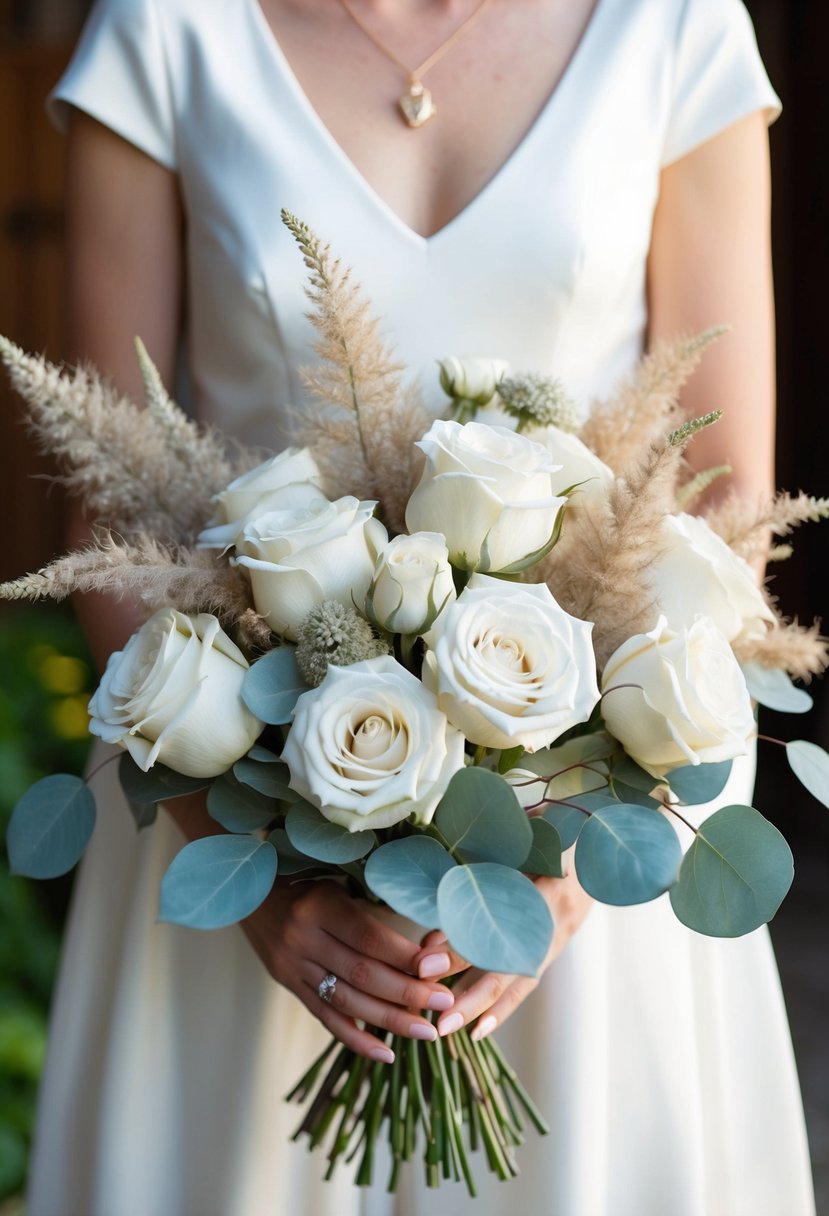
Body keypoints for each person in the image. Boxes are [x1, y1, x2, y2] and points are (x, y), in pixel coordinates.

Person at [25, 1, 815, 1213]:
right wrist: (268, 892)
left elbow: (721, 507)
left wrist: (565, 875)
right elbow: (110, 516)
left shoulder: (673, 28)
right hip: (233, 829)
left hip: (589, 857)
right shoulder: (166, 31)